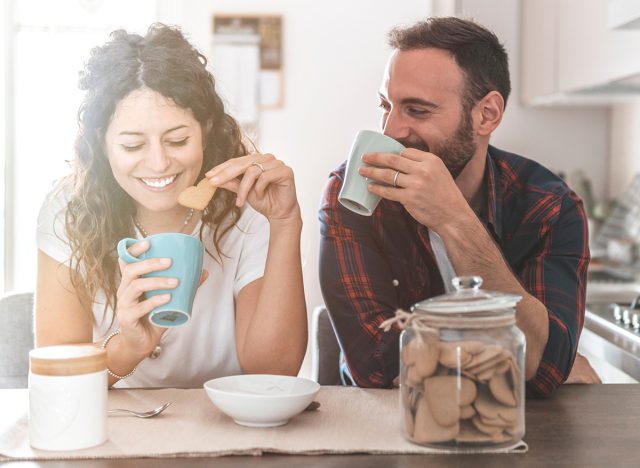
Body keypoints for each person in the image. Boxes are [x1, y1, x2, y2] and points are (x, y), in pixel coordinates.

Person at [319, 17, 599, 397]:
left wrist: (455, 221)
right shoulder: (354, 191)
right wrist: (513, 360)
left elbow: (541, 366)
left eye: (416, 111)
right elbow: (376, 365)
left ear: (487, 114)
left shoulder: (548, 207)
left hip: (512, 432)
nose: (390, 131)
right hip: (384, 424)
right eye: (386, 105)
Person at [36, 24, 307, 388]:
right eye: (133, 146)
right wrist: (129, 346)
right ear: (102, 143)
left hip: (225, 428)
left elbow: (274, 371)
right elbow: (58, 379)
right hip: (114, 431)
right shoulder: (68, 210)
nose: (159, 164)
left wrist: (286, 222)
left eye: (177, 140)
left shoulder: (249, 204)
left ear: (206, 128)